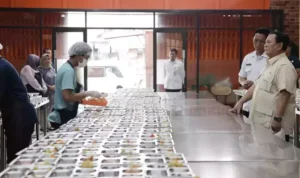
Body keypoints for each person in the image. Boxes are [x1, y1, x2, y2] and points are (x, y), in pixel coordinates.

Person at [230, 32, 297, 142]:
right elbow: (256, 86)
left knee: (276, 157)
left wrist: (277, 119)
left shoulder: (284, 66)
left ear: (279, 46)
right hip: (262, 124)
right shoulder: (270, 65)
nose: (265, 45)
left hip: (273, 126)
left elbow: (284, 94)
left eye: (268, 42)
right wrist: (241, 102)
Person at [48, 42, 107, 129]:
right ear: (79, 56)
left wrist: (84, 97)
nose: (87, 60)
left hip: (66, 113)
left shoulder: (68, 68)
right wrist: (87, 93)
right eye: (86, 57)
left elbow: (69, 92)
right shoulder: (68, 71)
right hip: (63, 116)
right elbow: (67, 97)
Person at [0, 43, 37, 163]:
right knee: (16, 155)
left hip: (20, 117)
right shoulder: (3, 65)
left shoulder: (2, 67)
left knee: (17, 158)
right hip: (16, 116)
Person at [238, 28, 270, 124]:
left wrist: (254, 84)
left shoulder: (269, 59)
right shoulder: (248, 58)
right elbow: (241, 77)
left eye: (261, 41)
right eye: (256, 40)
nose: (258, 44)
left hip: (263, 106)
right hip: (247, 104)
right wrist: (244, 82)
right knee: (247, 134)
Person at [38, 53, 56, 131]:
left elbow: (56, 77)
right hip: (45, 91)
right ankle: (43, 126)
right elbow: (41, 81)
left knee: (50, 109)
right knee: (44, 110)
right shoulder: (39, 69)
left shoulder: (52, 68)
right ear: (41, 60)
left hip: (53, 92)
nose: (47, 61)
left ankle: (48, 125)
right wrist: (49, 87)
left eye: (48, 59)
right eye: (45, 59)